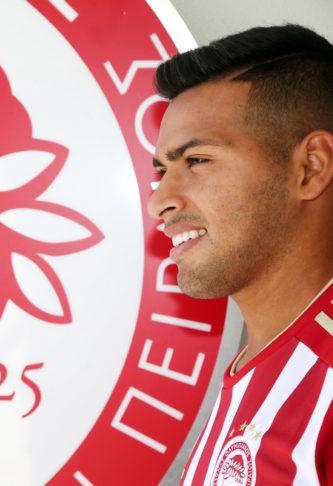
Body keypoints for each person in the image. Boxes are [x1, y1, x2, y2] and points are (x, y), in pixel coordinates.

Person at [149, 24, 333, 485]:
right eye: (163, 170)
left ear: (311, 168)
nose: (159, 201)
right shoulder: (260, 366)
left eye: (197, 160)